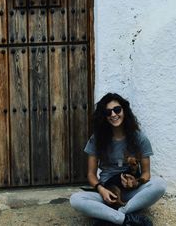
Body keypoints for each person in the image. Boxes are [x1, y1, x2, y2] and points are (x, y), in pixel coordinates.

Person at [70, 93, 166, 226]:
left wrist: (137, 182)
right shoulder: (96, 139)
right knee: (76, 199)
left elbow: (146, 173)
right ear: (104, 116)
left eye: (117, 110)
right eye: (108, 112)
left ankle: (116, 214)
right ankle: (126, 219)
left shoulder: (139, 138)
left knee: (159, 184)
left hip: (133, 193)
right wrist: (101, 190)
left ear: (124, 110)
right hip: (107, 192)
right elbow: (91, 175)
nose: (113, 115)